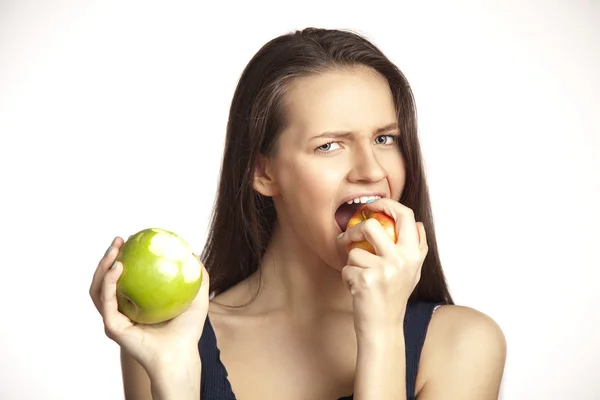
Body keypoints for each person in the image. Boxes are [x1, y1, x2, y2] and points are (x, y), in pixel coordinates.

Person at [89, 27, 507, 399]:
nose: (372, 171)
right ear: (263, 172)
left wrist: (381, 331)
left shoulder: (463, 344)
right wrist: (174, 381)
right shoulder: (174, 338)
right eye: (329, 145)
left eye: (384, 138)